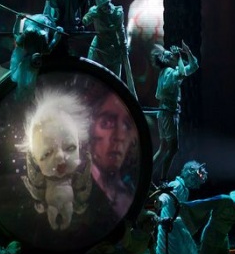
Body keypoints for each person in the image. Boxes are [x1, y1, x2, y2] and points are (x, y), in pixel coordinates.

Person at [19, 89, 92, 231]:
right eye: (46, 154)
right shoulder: (40, 181)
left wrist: (88, 165)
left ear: (79, 146)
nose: (59, 156)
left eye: (70, 147)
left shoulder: (77, 179)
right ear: (35, 160)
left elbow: (84, 183)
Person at [154, 160, 208, 254]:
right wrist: (160, 202)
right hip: (169, 227)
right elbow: (167, 196)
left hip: (177, 227)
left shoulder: (184, 189)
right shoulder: (176, 185)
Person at [151, 41, 199, 181]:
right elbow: (183, 73)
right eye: (171, 55)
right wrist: (179, 58)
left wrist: (187, 52)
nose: (174, 55)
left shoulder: (173, 71)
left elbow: (194, 66)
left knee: (164, 148)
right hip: (168, 113)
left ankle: (148, 176)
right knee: (173, 148)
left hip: (167, 112)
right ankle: (163, 179)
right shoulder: (168, 72)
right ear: (168, 60)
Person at [89, 90, 139, 221]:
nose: (119, 136)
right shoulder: (73, 190)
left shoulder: (129, 193)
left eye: (127, 125)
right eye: (106, 123)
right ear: (89, 128)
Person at [82, 0, 137, 98]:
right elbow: (86, 20)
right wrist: (86, 19)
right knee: (92, 73)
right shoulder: (95, 12)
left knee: (115, 79)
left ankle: (113, 99)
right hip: (98, 46)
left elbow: (120, 31)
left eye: (107, 5)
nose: (107, 8)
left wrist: (123, 46)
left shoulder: (117, 13)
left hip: (114, 47)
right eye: (103, 7)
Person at [10, 13, 62, 101]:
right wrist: (57, 35)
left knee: (26, 88)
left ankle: (25, 100)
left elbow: (15, 34)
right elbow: (49, 47)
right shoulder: (37, 39)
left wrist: (18, 19)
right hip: (30, 64)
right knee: (27, 88)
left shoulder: (30, 39)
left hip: (30, 64)